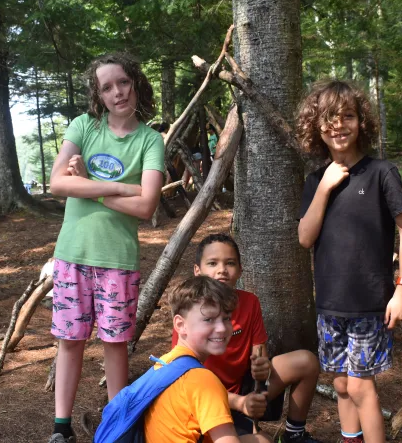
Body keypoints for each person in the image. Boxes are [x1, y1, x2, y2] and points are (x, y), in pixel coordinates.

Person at [47, 53, 165, 443]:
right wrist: (119, 187)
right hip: (72, 255)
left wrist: (91, 186)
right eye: (107, 87)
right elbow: (58, 185)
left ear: (135, 83)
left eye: (123, 83)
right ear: (98, 95)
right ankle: (61, 429)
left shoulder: (149, 140)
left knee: (115, 346)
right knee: (70, 342)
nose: (117, 92)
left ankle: (117, 426)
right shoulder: (83, 126)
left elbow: (147, 206)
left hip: (117, 259)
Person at [296, 80, 402, 443]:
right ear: (316, 126)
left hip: (370, 304)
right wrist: (324, 187)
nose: (338, 125)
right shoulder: (317, 179)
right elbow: (305, 237)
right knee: (339, 383)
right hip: (330, 304)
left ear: (361, 121)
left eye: (347, 116)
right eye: (329, 118)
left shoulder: (382, 173)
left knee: (361, 387)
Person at [172, 234, 323, 443]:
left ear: (240, 270)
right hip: (206, 399)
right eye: (212, 263)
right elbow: (188, 382)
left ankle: (294, 434)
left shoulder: (249, 302)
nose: (222, 269)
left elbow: (259, 352)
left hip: (243, 388)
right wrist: (239, 403)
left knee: (305, 361)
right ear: (197, 271)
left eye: (230, 263)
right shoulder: (191, 313)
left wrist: (261, 365)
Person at [144, 276, 242, 443]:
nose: (221, 328)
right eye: (208, 319)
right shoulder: (204, 382)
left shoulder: (164, 363)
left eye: (226, 318)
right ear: (180, 325)